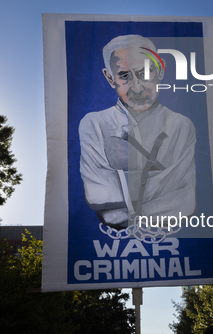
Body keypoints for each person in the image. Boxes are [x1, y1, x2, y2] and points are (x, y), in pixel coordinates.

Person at [79, 34, 197, 229]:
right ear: (109, 78)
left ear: (160, 70)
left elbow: (183, 202)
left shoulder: (181, 126)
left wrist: (122, 185)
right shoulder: (94, 125)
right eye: (124, 76)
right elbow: (98, 195)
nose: (136, 87)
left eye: (144, 73)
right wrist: (161, 186)